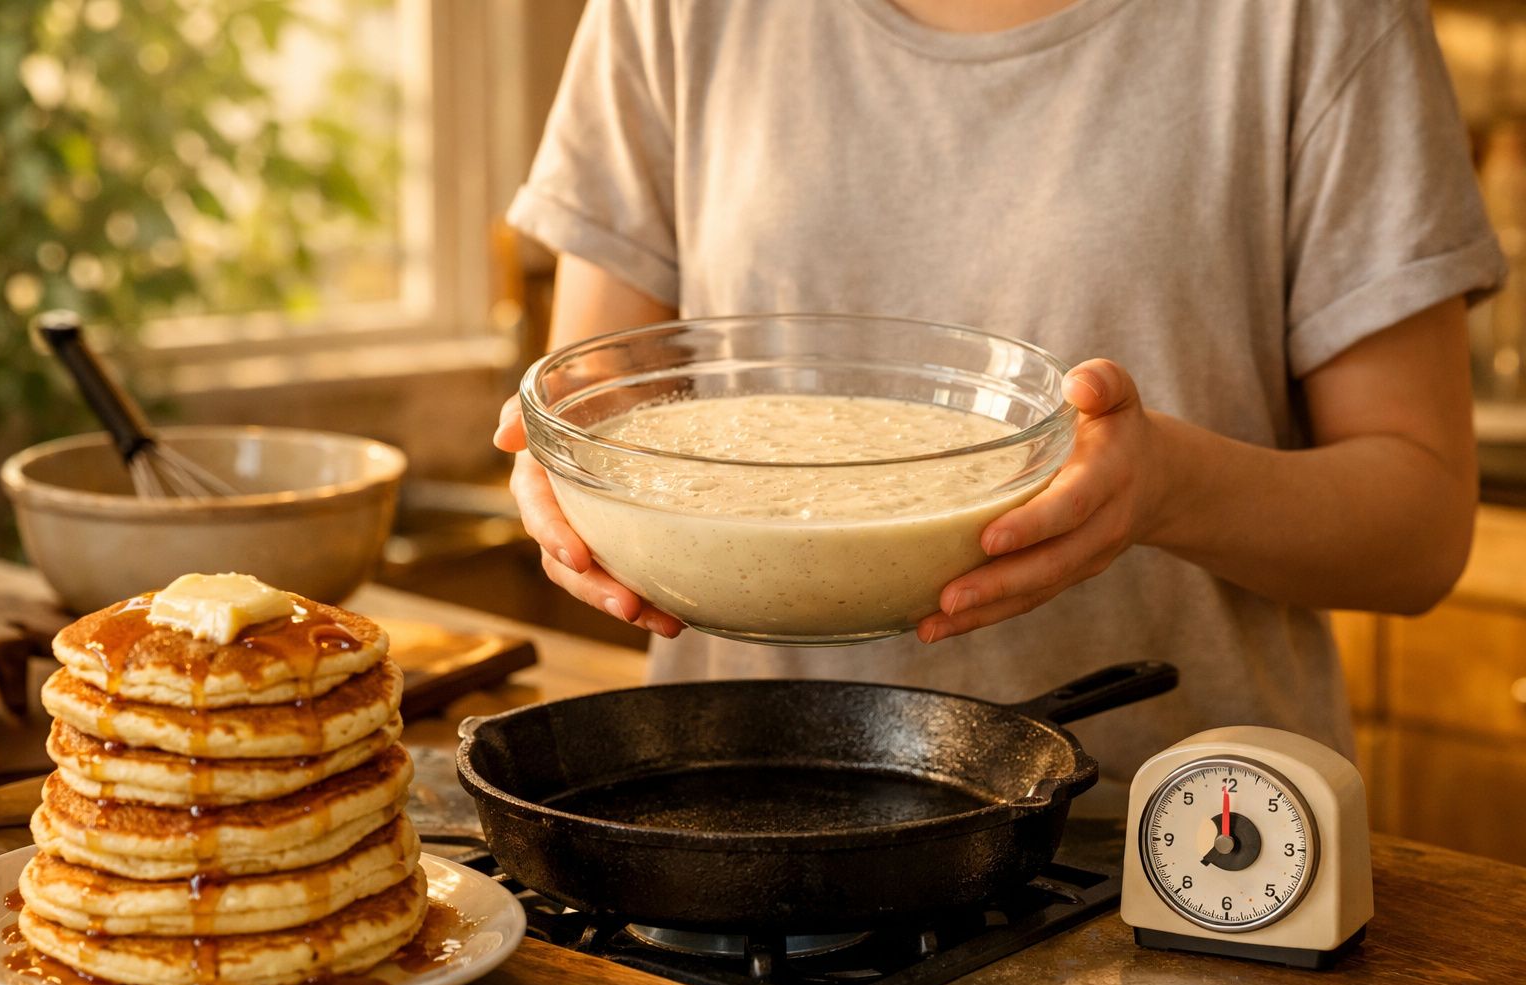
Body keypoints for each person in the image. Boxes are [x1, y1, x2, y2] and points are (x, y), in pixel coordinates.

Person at [493, 0, 1505, 800]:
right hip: (737, 814)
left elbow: (1418, 530)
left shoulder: (1318, 21)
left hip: (1175, 846)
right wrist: (559, 492)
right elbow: (591, 401)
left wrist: (1165, 488)